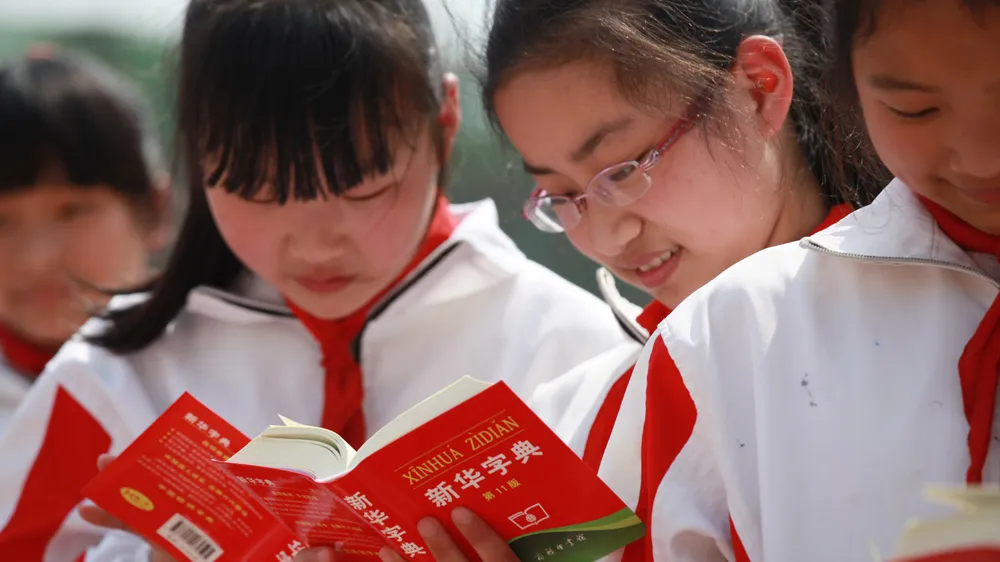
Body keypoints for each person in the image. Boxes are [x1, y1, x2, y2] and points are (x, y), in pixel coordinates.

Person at [0, 1, 627, 560]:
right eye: (256, 190)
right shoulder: (112, 376)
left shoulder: (583, 354)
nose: (315, 244)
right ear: (196, 155)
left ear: (444, 123)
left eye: (363, 187)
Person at [340, 0, 887, 561]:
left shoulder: (919, 322)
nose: (607, 236)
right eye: (562, 194)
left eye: (625, 169)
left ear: (757, 88)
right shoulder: (569, 415)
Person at [589, 0, 1000, 560]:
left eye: (627, 169)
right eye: (914, 110)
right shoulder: (721, 339)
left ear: (764, 90)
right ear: (848, 87)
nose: (980, 159)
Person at [0, 48, 170, 436]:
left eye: (72, 211)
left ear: (157, 210)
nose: (37, 259)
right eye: (1, 221)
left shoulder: (244, 372)